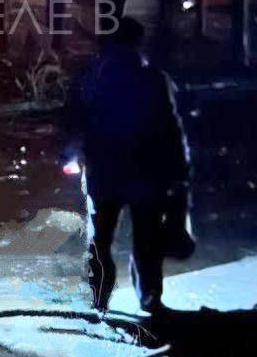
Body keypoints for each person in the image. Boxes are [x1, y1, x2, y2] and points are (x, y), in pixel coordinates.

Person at [63, 16, 190, 314]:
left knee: (100, 239)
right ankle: (149, 298)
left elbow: (73, 121)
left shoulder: (92, 78)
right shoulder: (153, 79)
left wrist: (70, 155)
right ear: (138, 43)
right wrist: (179, 173)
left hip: (105, 170)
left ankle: (98, 301)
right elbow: (171, 129)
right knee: (147, 238)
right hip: (145, 171)